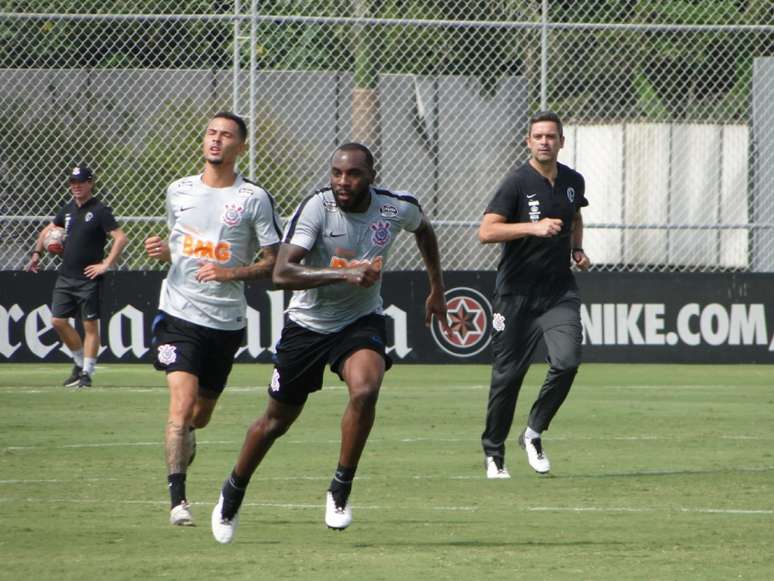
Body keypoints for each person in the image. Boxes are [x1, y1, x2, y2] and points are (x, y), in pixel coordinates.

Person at [210, 142, 450, 543]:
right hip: (306, 325)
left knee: (366, 388)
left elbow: (423, 229)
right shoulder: (317, 208)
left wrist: (437, 286)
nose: (342, 181)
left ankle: (340, 488)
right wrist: (345, 275)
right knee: (275, 422)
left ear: (372, 175)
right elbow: (283, 273)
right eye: (336, 173)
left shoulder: (395, 207)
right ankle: (233, 491)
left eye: (353, 173)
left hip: (359, 320)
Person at [144, 111, 282, 527]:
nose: (216, 141)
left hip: (224, 323)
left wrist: (230, 273)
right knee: (181, 407)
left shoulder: (253, 198)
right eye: (211, 133)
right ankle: (178, 501)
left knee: (200, 416)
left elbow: (274, 262)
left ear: (242, 146)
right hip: (178, 313)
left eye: (226, 136)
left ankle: (188, 440)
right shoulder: (178, 190)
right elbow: (179, 242)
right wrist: (167, 252)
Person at [478, 111, 591, 479]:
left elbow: (575, 217)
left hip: (558, 293)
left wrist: (576, 250)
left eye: (551, 136)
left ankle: (533, 432)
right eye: (538, 136)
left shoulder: (573, 181)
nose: (544, 141)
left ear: (562, 141)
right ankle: (494, 453)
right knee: (508, 376)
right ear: (528, 142)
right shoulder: (516, 182)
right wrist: (533, 227)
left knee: (568, 362)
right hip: (516, 295)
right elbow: (486, 232)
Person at [25, 165, 128, 388]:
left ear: (90, 183)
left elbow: (120, 238)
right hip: (66, 276)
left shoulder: (100, 210)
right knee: (58, 321)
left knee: (90, 325)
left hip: (88, 278)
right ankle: (79, 364)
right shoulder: (68, 209)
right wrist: (36, 253)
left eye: (81, 182)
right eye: (73, 182)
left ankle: (87, 373)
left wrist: (105, 265)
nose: (76, 186)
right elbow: (47, 230)